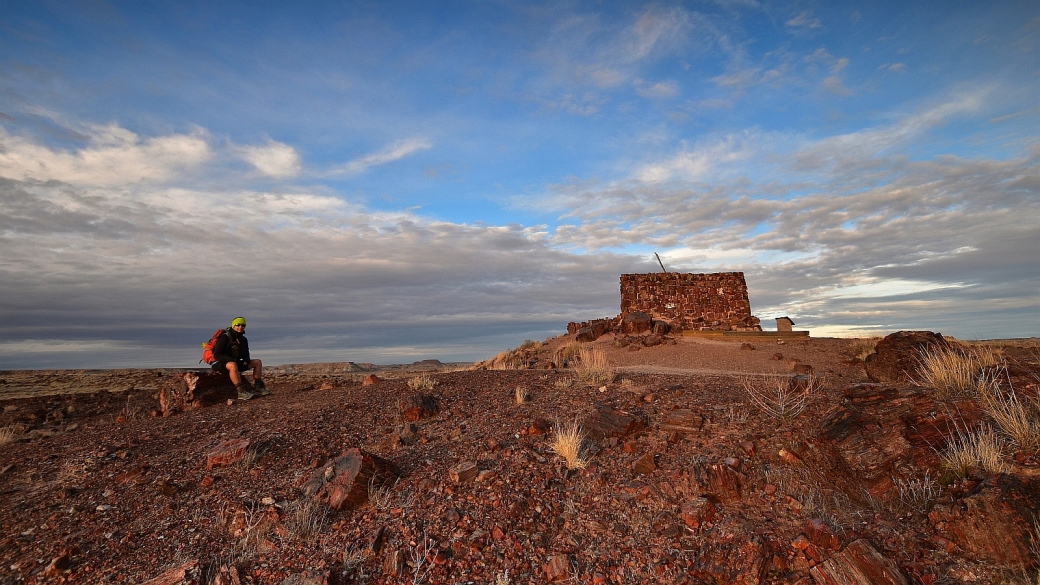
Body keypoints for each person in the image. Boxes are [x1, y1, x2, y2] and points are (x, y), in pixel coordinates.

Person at [211, 316, 269, 400]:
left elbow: (246, 353)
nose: (240, 327)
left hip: (236, 362)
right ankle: (240, 391)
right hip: (219, 363)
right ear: (233, 326)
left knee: (257, 362)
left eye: (243, 325)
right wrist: (234, 360)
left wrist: (246, 360)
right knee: (233, 365)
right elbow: (217, 355)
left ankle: (258, 386)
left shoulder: (243, 339)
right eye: (238, 325)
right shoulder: (225, 337)